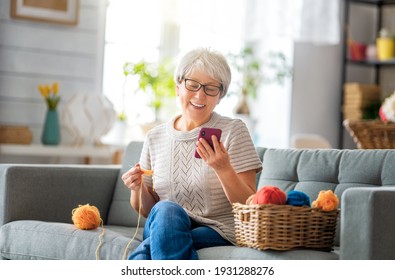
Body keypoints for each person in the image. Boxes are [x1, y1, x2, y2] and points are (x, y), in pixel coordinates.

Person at [121, 47, 262, 260]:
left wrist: (223, 169)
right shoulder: (155, 137)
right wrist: (137, 187)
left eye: (211, 88)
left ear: (220, 95)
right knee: (167, 210)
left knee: (148, 250)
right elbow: (148, 211)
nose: (200, 95)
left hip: (218, 230)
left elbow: (249, 205)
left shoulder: (233, 131)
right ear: (178, 87)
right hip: (164, 221)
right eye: (192, 85)